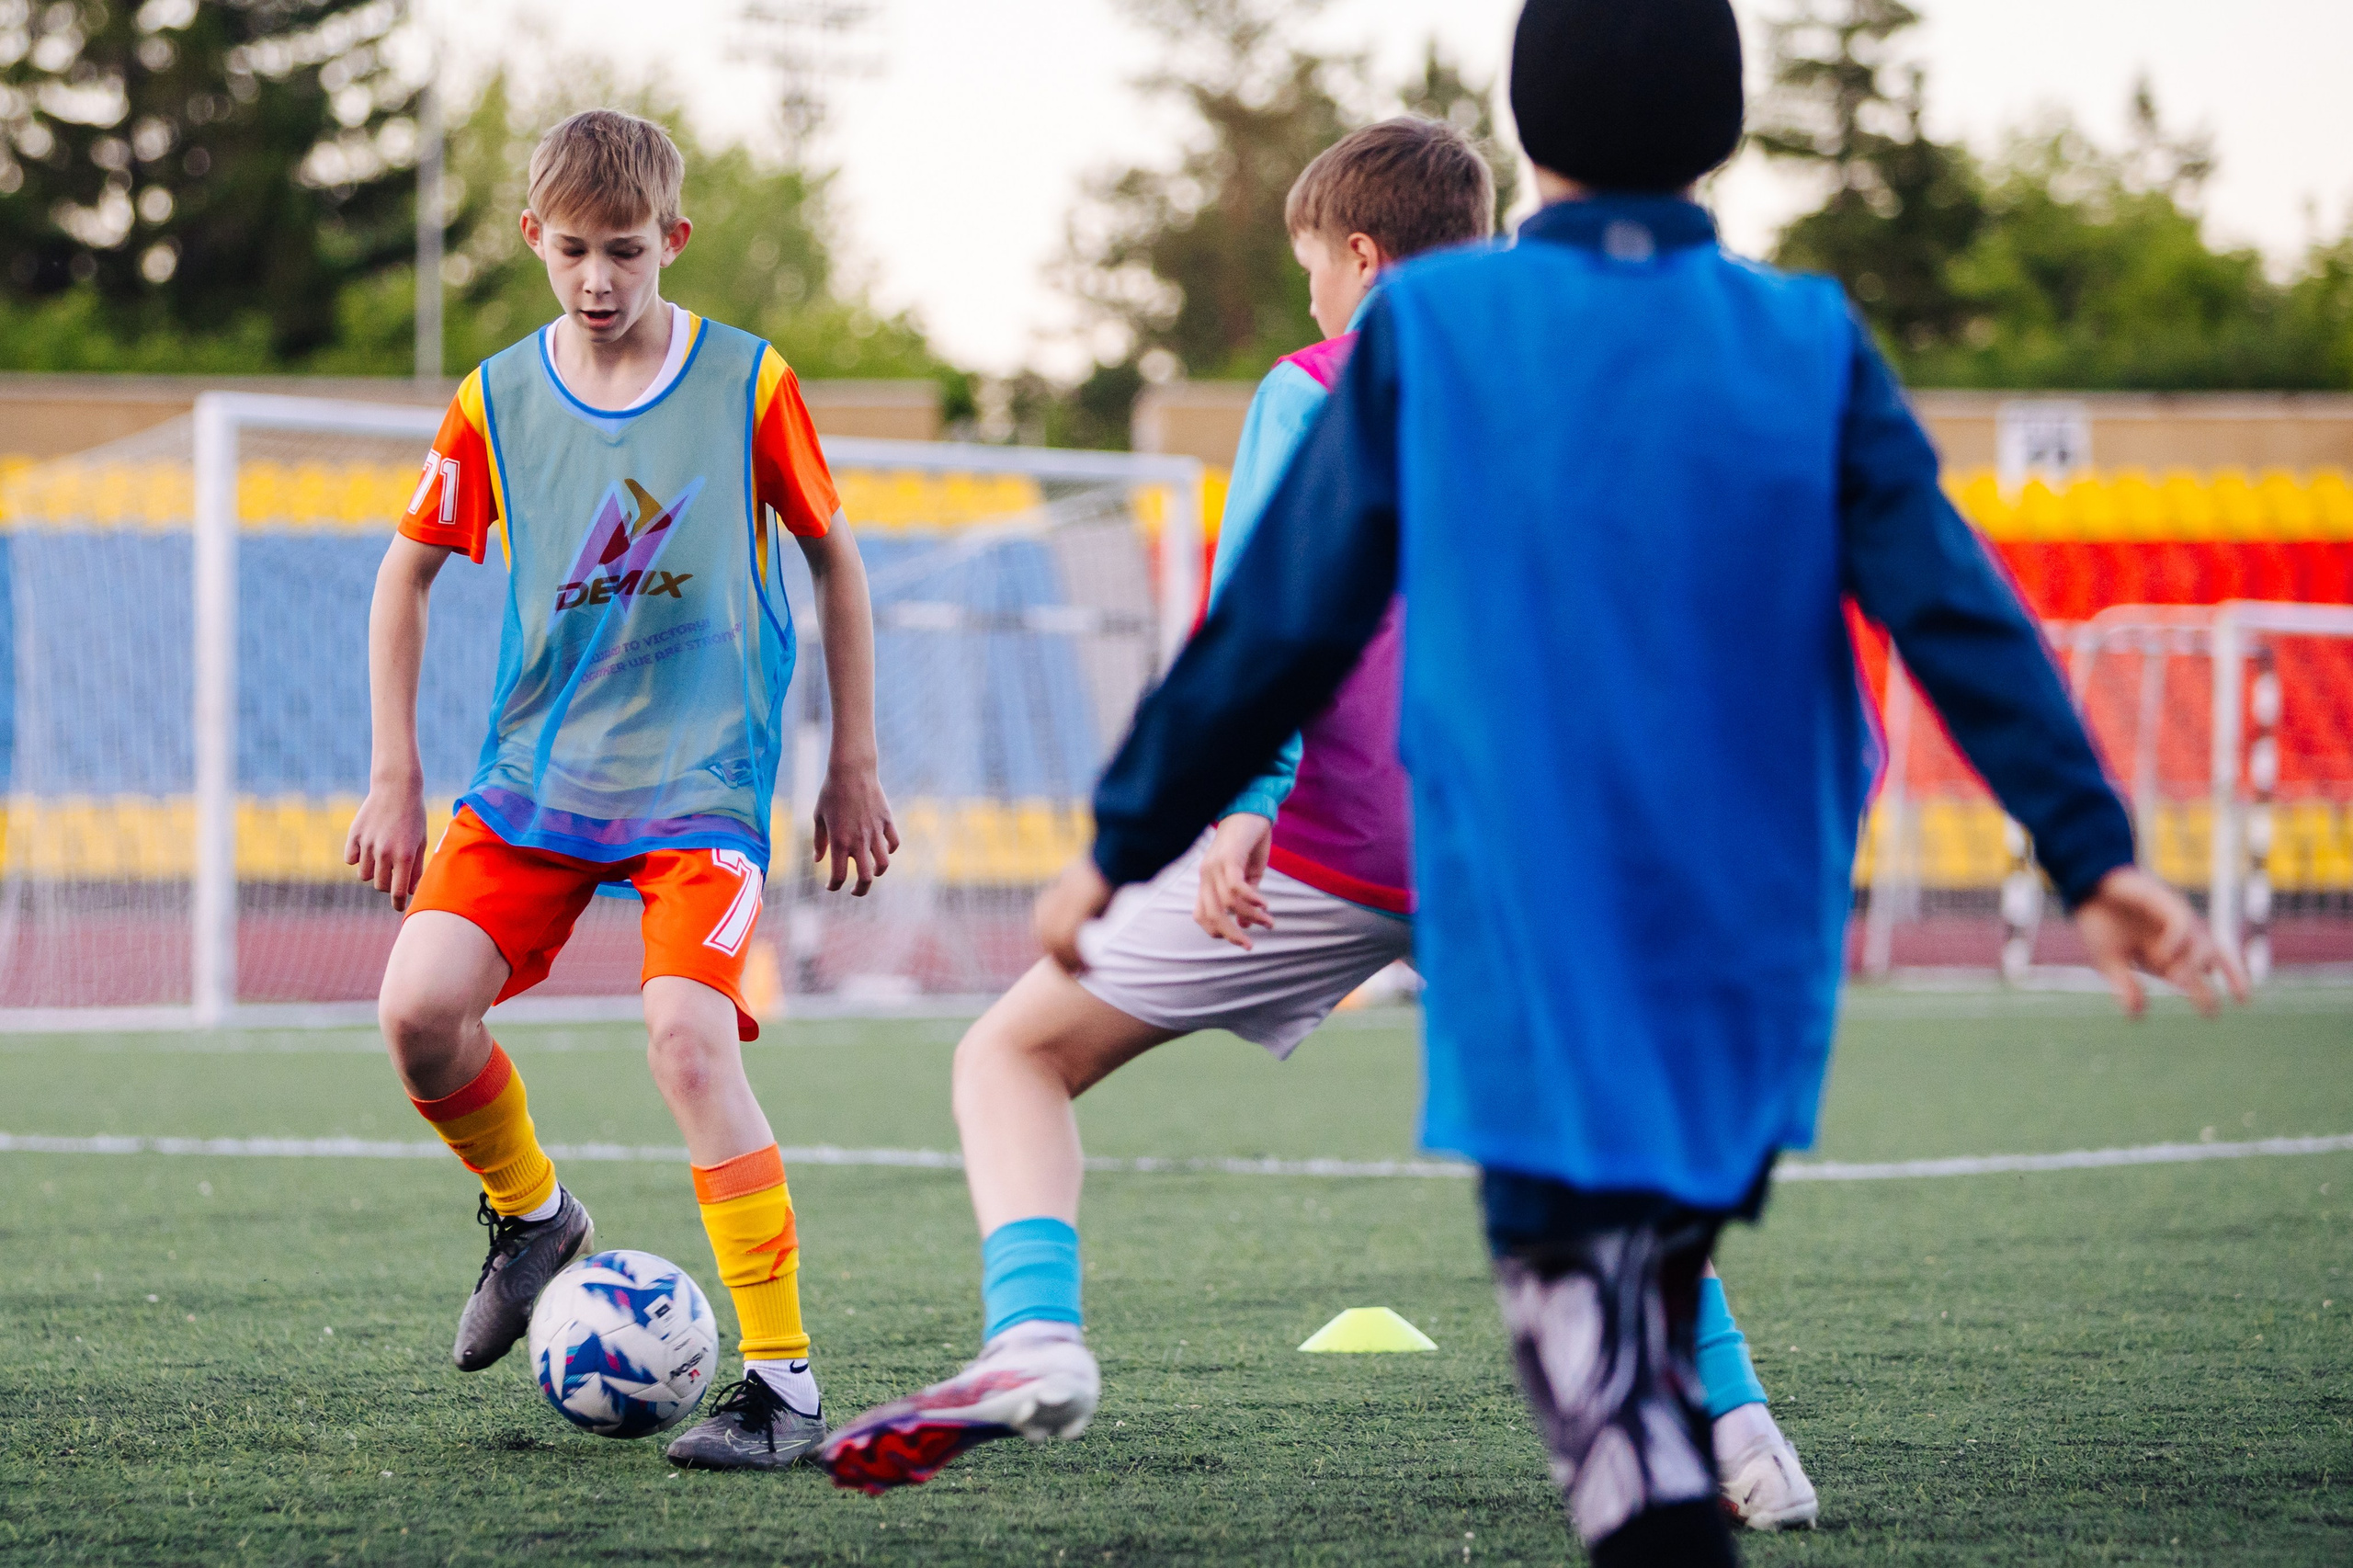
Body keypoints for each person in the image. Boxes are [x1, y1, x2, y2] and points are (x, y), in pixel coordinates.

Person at [1019, 1, 2247, 1561]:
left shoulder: (1439, 334)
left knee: (1604, 1396)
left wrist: (1126, 832)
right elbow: (1955, 607)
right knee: (1645, 1289)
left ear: (1529, 133)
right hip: (1750, 927)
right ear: (1723, 135)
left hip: (1537, 900)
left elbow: (1280, 620)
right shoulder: (1806, 338)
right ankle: (1717, 1438)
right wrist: (2093, 851)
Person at [816, 116, 1813, 1529]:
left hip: (1326, 844)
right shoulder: (1567, 378)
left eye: (1311, 276)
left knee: (1014, 1052)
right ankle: (1745, 1431)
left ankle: (1035, 1336)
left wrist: (1241, 800)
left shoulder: (1320, 382)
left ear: (1361, 256)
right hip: (1519, 848)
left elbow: (1269, 614)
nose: (1311, 304)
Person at [344, 108, 897, 1473]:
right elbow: (404, 575)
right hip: (536, 779)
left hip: (702, 786)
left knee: (688, 1043)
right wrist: (396, 772)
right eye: (575, 250)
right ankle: (535, 1217)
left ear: (674, 241)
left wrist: (853, 761)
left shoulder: (748, 381)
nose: (599, 279)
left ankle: (783, 1388)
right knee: (418, 1015)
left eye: (628, 251)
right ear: (534, 237)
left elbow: (836, 561)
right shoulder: (493, 399)